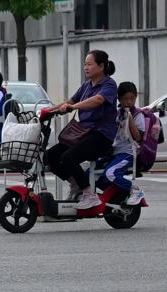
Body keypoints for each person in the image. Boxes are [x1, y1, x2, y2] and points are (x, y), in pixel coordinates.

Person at [46, 50, 118, 209]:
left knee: (68, 157)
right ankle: (76, 184)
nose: (85, 67)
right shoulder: (86, 85)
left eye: (89, 64)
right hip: (84, 133)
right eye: (85, 64)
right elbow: (69, 101)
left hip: (101, 136)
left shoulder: (109, 84)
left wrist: (73, 107)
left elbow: (97, 100)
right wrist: (48, 111)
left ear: (101, 66)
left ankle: (89, 194)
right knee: (51, 155)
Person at [94, 82, 146, 205]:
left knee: (110, 173)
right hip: (114, 152)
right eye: (125, 99)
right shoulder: (116, 114)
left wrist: (130, 119)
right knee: (90, 175)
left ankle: (135, 190)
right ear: (119, 99)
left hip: (127, 153)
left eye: (132, 99)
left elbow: (138, 137)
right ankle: (115, 196)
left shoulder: (138, 115)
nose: (129, 102)